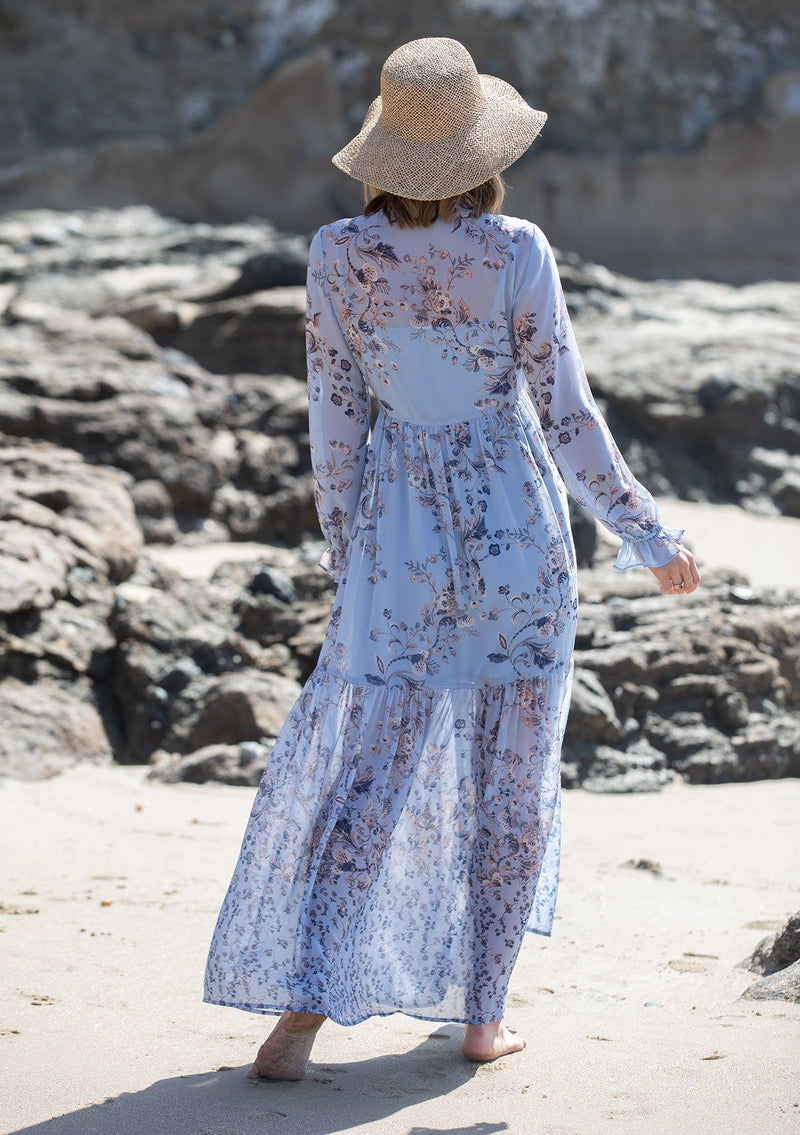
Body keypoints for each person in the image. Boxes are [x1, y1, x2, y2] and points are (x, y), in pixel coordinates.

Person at [202, 35, 701, 1079]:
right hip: (518, 539)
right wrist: (647, 535)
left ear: (384, 150)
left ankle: (301, 1014)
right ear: (480, 149)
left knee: (366, 782)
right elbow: (564, 417)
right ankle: (480, 1015)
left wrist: (354, 557)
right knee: (509, 790)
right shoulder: (514, 249)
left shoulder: (336, 254)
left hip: (397, 548)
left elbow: (333, 423)